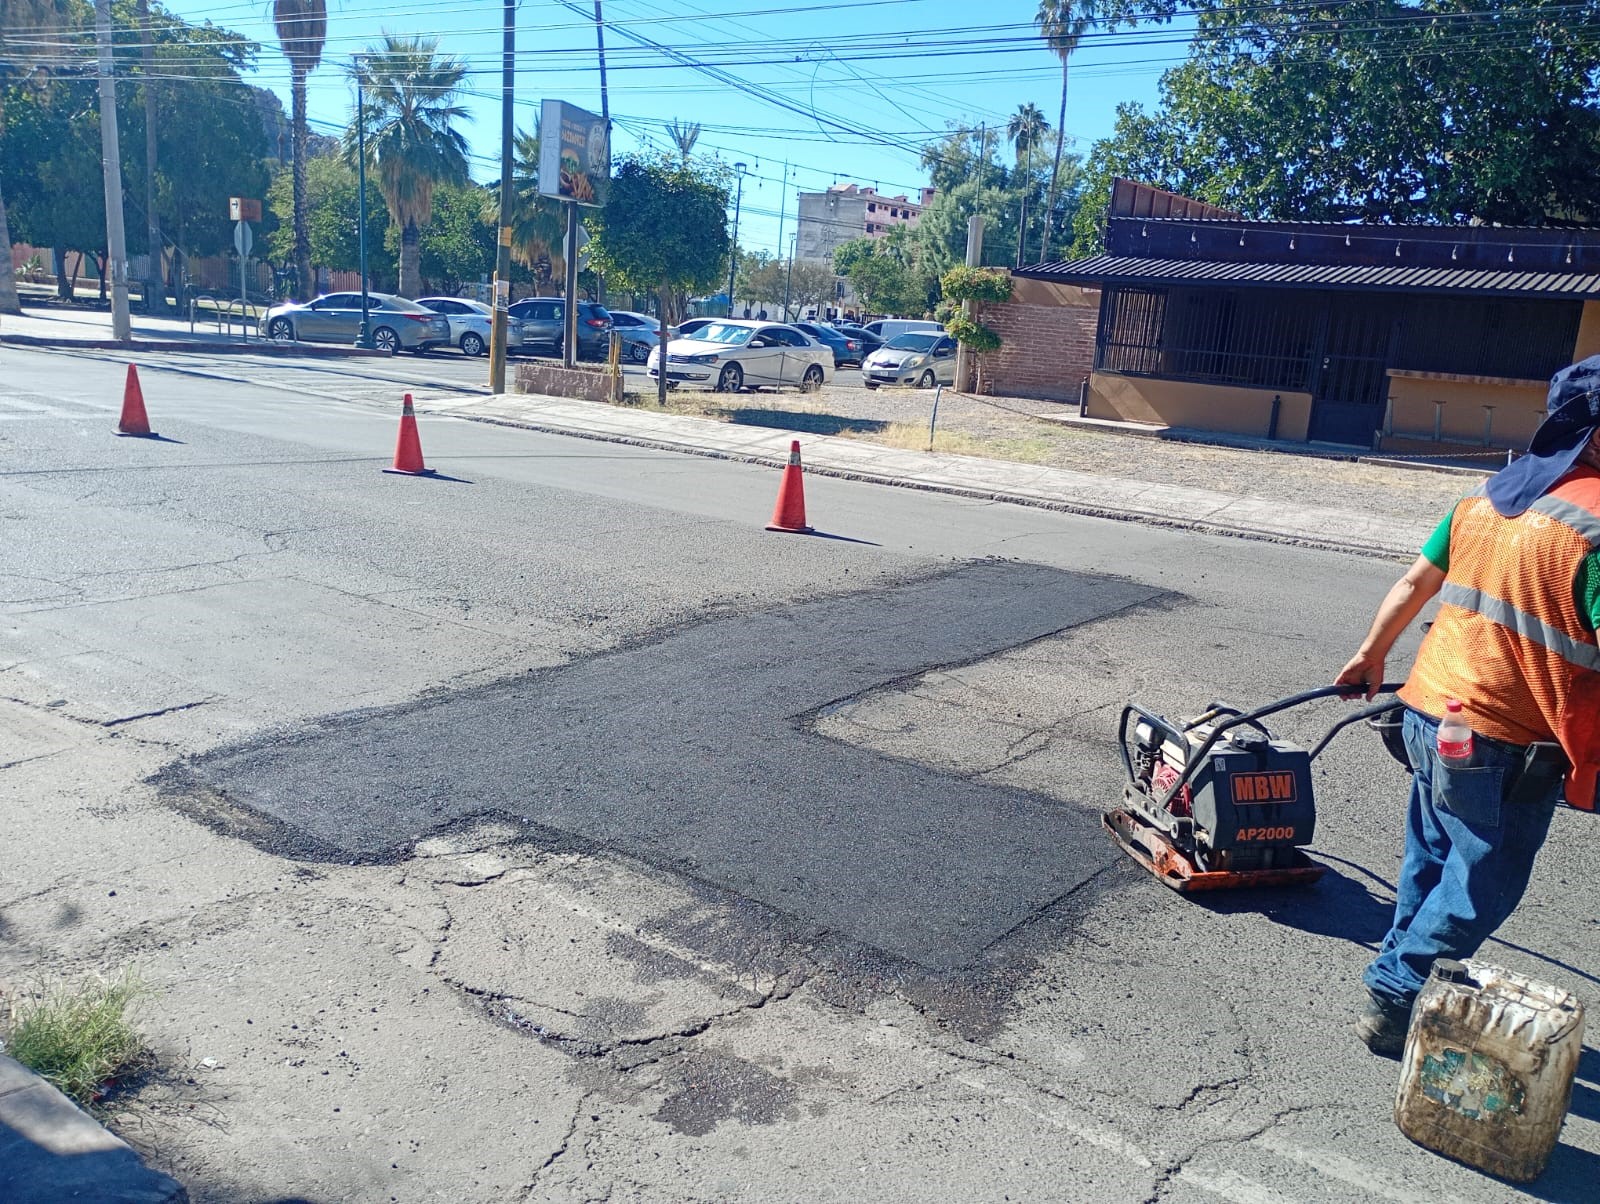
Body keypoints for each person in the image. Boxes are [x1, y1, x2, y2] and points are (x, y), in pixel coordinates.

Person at [1336, 354, 1600, 1055]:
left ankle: (1410, 975)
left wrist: (1370, 655)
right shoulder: (1597, 528)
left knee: (1430, 858)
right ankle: (1396, 989)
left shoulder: (1484, 499)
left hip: (1426, 714)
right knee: (1485, 879)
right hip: (1504, 741)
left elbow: (1414, 582)